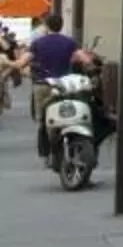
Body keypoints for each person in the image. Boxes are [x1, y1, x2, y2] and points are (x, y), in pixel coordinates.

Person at [28, 11, 81, 155]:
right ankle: (64, 141)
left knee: (43, 119)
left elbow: (22, 62)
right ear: (61, 26)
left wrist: (10, 65)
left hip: (42, 85)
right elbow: (84, 59)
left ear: (46, 25)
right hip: (63, 85)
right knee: (66, 114)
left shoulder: (37, 43)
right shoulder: (70, 43)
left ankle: (46, 150)